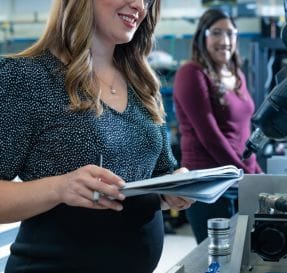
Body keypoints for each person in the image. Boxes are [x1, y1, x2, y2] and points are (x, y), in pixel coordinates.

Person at [0, 1, 194, 272]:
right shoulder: (27, 77)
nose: (139, 5)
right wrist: (60, 188)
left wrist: (174, 188)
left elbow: (157, 177)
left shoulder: (143, 85)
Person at [173, 8, 262, 244]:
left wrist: (257, 173)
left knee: (244, 257)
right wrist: (245, 173)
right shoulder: (191, 73)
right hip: (210, 184)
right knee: (218, 261)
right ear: (203, 36)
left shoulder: (237, 75)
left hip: (240, 178)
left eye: (231, 34)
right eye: (217, 33)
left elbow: (244, 130)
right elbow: (209, 135)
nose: (225, 41)